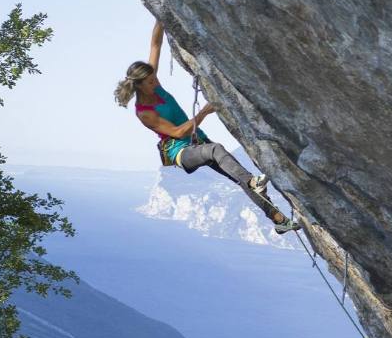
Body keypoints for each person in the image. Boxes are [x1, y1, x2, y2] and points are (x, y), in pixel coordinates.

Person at [115, 21, 300, 235]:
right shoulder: (144, 112)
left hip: (196, 139)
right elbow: (176, 133)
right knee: (217, 151)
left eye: (155, 77)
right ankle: (252, 182)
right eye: (150, 82)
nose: (155, 82)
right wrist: (203, 112)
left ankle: (278, 220)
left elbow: (156, 45)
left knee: (241, 177)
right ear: (138, 85)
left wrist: (160, 17)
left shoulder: (152, 82)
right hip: (179, 151)